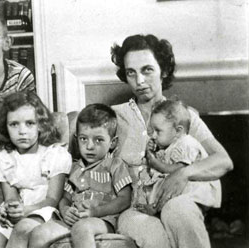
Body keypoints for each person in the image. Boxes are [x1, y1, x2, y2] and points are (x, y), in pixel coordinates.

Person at [110, 34, 233, 248]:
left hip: (175, 200)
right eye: (131, 73)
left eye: (147, 70)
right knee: (152, 232)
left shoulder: (182, 116)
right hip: (135, 209)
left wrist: (183, 173)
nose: (139, 81)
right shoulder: (114, 116)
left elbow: (223, 161)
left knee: (179, 211)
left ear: (163, 71)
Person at [28, 103, 132, 248]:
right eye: (84, 139)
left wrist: (96, 211)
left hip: (102, 219)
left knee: (82, 228)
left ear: (112, 143)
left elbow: (124, 199)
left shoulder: (115, 164)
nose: (89, 146)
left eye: (98, 140)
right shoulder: (74, 167)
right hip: (74, 219)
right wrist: (65, 211)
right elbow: (65, 198)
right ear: (77, 140)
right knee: (38, 233)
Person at [0, 91, 72, 248]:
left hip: (46, 210)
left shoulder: (54, 154)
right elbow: (10, 196)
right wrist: (9, 207)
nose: (22, 131)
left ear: (40, 125)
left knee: (22, 229)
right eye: (14, 124)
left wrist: (27, 210)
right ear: (5, 127)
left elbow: (53, 199)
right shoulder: (5, 158)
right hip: (21, 208)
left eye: (29, 123)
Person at [133, 99, 221, 217]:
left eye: (158, 131)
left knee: (167, 185)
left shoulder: (187, 144)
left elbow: (178, 170)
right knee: (159, 184)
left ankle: (156, 208)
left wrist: (155, 163)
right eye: (152, 131)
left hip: (196, 188)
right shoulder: (170, 145)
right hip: (183, 186)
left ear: (178, 131)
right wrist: (153, 152)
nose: (153, 135)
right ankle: (157, 208)